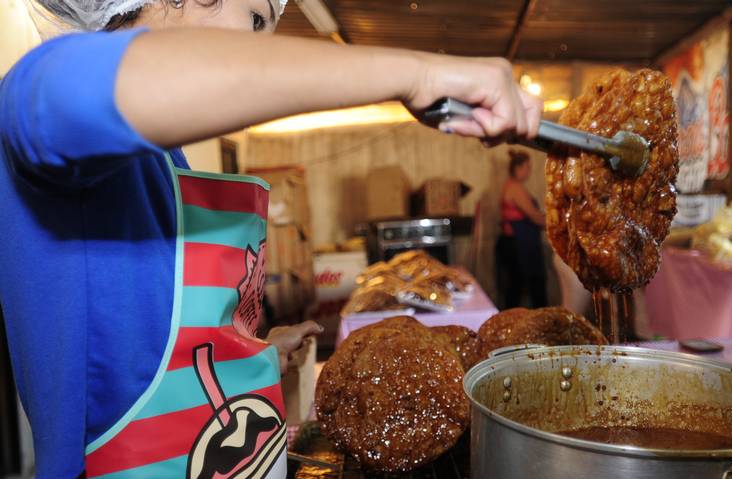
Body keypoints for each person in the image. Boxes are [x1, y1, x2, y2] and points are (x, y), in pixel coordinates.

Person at [0, 1, 542, 477]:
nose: (263, 47)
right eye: (257, 18)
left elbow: (139, 339)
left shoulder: (166, 162)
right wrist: (418, 72)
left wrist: (248, 355)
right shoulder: (39, 93)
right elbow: (87, 85)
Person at [496, 149, 547, 309]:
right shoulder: (515, 188)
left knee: (515, 287)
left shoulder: (511, 185)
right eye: (528, 167)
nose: (529, 171)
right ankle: (541, 323)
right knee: (525, 286)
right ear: (519, 168)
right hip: (519, 245)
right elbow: (534, 216)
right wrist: (557, 224)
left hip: (518, 243)